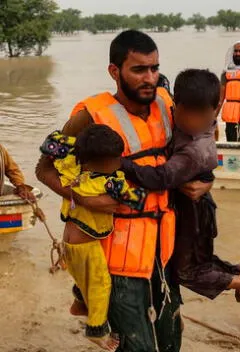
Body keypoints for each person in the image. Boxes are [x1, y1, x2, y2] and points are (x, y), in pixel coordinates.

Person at [35, 29, 212, 351]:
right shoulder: (89, 116)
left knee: (171, 339)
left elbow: (195, 150)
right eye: (139, 69)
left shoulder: (167, 104)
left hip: (164, 249)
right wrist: (84, 198)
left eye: (155, 68)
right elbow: (43, 168)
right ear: (115, 71)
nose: (150, 78)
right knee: (137, 347)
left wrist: (206, 182)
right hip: (116, 257)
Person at [120, 68, 240, 314]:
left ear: (214, 110)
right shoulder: (178, 112)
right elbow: (161, 83)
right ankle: (238, 272)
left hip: (194, 209)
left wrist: (120, 163)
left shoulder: (194, 150)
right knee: (194, 260)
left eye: (202, 117)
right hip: (189, 202)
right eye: (188, 115)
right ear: (175, 106)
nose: (194, 123)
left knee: (185, 272)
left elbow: (161, 177)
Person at [39, 126, 149, 351]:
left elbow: (52, 141)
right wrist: (138, 190)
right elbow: (137, 200)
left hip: (70, 243)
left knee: (83, 276)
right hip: (85, 245)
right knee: (101, 284)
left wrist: (74, 144)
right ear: (97, 164)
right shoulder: (109, 182)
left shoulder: (72, 166)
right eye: (115, 161)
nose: (119, 164)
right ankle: (96, 330)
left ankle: (79, 304)